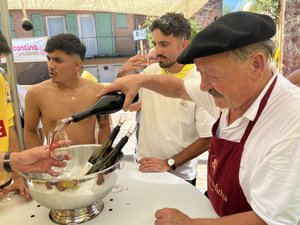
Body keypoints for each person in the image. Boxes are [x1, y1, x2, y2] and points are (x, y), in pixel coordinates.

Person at [97, 12, 300, 225]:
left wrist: (189, 223)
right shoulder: (233, 91)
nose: (203, 86)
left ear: (256, 64)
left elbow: (269, 220)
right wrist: (139, 80)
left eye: (212, 75)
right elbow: (179, 87)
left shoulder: (290, 121)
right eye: (200, 74)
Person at [124, 13, 215, 186]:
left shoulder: (200, 82)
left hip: (179, 176)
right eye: (155, 44)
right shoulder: (149, 73)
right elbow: (130, 105)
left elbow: (208, 138)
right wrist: (123, 75)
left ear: (184, 45)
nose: (157, 51)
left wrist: (169, 163)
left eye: (164, 44)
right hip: (145, 168)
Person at [0, 30, 70, 201]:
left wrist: (16, 173)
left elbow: (7, 128)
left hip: (5, 180)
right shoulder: (37, 93)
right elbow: (31, 130)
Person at [24, 34, 111, 148]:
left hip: (88, 162)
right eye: (49, 59)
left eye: (58, 60)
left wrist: (101, 160)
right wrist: (39, 161)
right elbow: (30, 131)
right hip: (54, 162)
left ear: (77, 65)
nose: (50, 65)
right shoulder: (36, 94)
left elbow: (104, 127)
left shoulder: (98, 91)